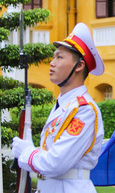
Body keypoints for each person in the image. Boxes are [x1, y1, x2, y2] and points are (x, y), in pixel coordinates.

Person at [12, 23, 105, 193]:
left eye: (60, 57)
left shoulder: (84, 110)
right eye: (54, 57)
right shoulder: (64, 105)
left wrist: (26, 153)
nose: (52, 63)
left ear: (79, 66)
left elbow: (56, 163)